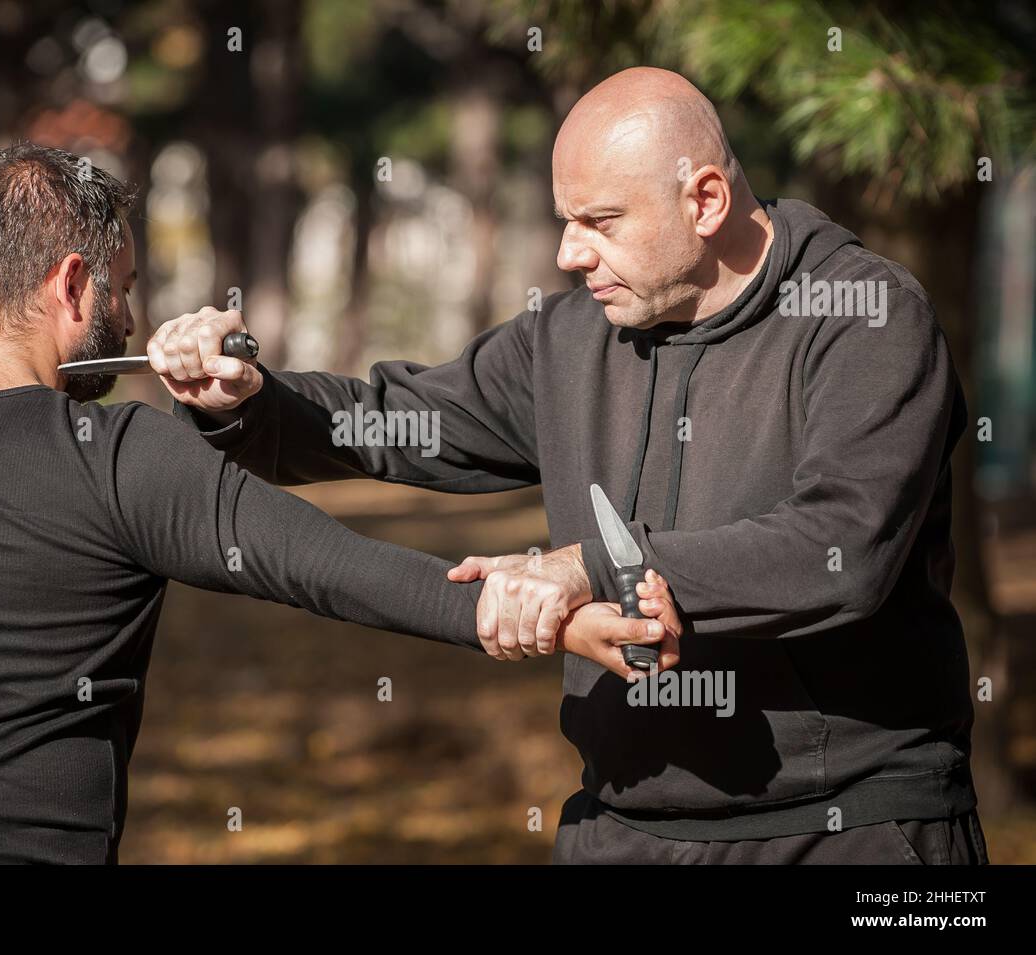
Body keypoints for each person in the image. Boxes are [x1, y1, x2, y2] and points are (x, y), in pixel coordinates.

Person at [155, 68, 988, 864]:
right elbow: (394, 421)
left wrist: (589, 567)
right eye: (566, 220)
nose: (568, 253)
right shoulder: (568, 339)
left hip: (849, 828)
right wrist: (246, 399)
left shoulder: (865, 318)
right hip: (621, 824)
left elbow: (843, 547)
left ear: (705, 199)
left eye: (600, 221)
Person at [0, 142, 680, 864]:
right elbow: (332, 569)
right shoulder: (114, 458)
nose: (127, 322)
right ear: (71, 283)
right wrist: (548, 618)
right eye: (124, 290)